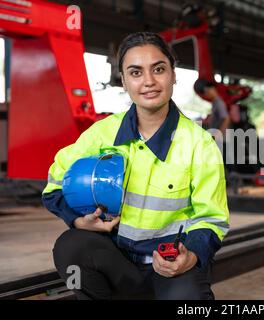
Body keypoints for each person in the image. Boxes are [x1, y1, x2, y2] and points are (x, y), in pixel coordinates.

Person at [42, 32, 229, 300]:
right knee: (70, 248)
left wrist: (192, 255)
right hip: (117, 265)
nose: (149, 82)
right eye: (136, 72)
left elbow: (211, 219)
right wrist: (78, 220)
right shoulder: (101, 134)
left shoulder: (199, 143)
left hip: (170, 269)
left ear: (173, 75)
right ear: (124, 80)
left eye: (159, 69)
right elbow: (53, 186)